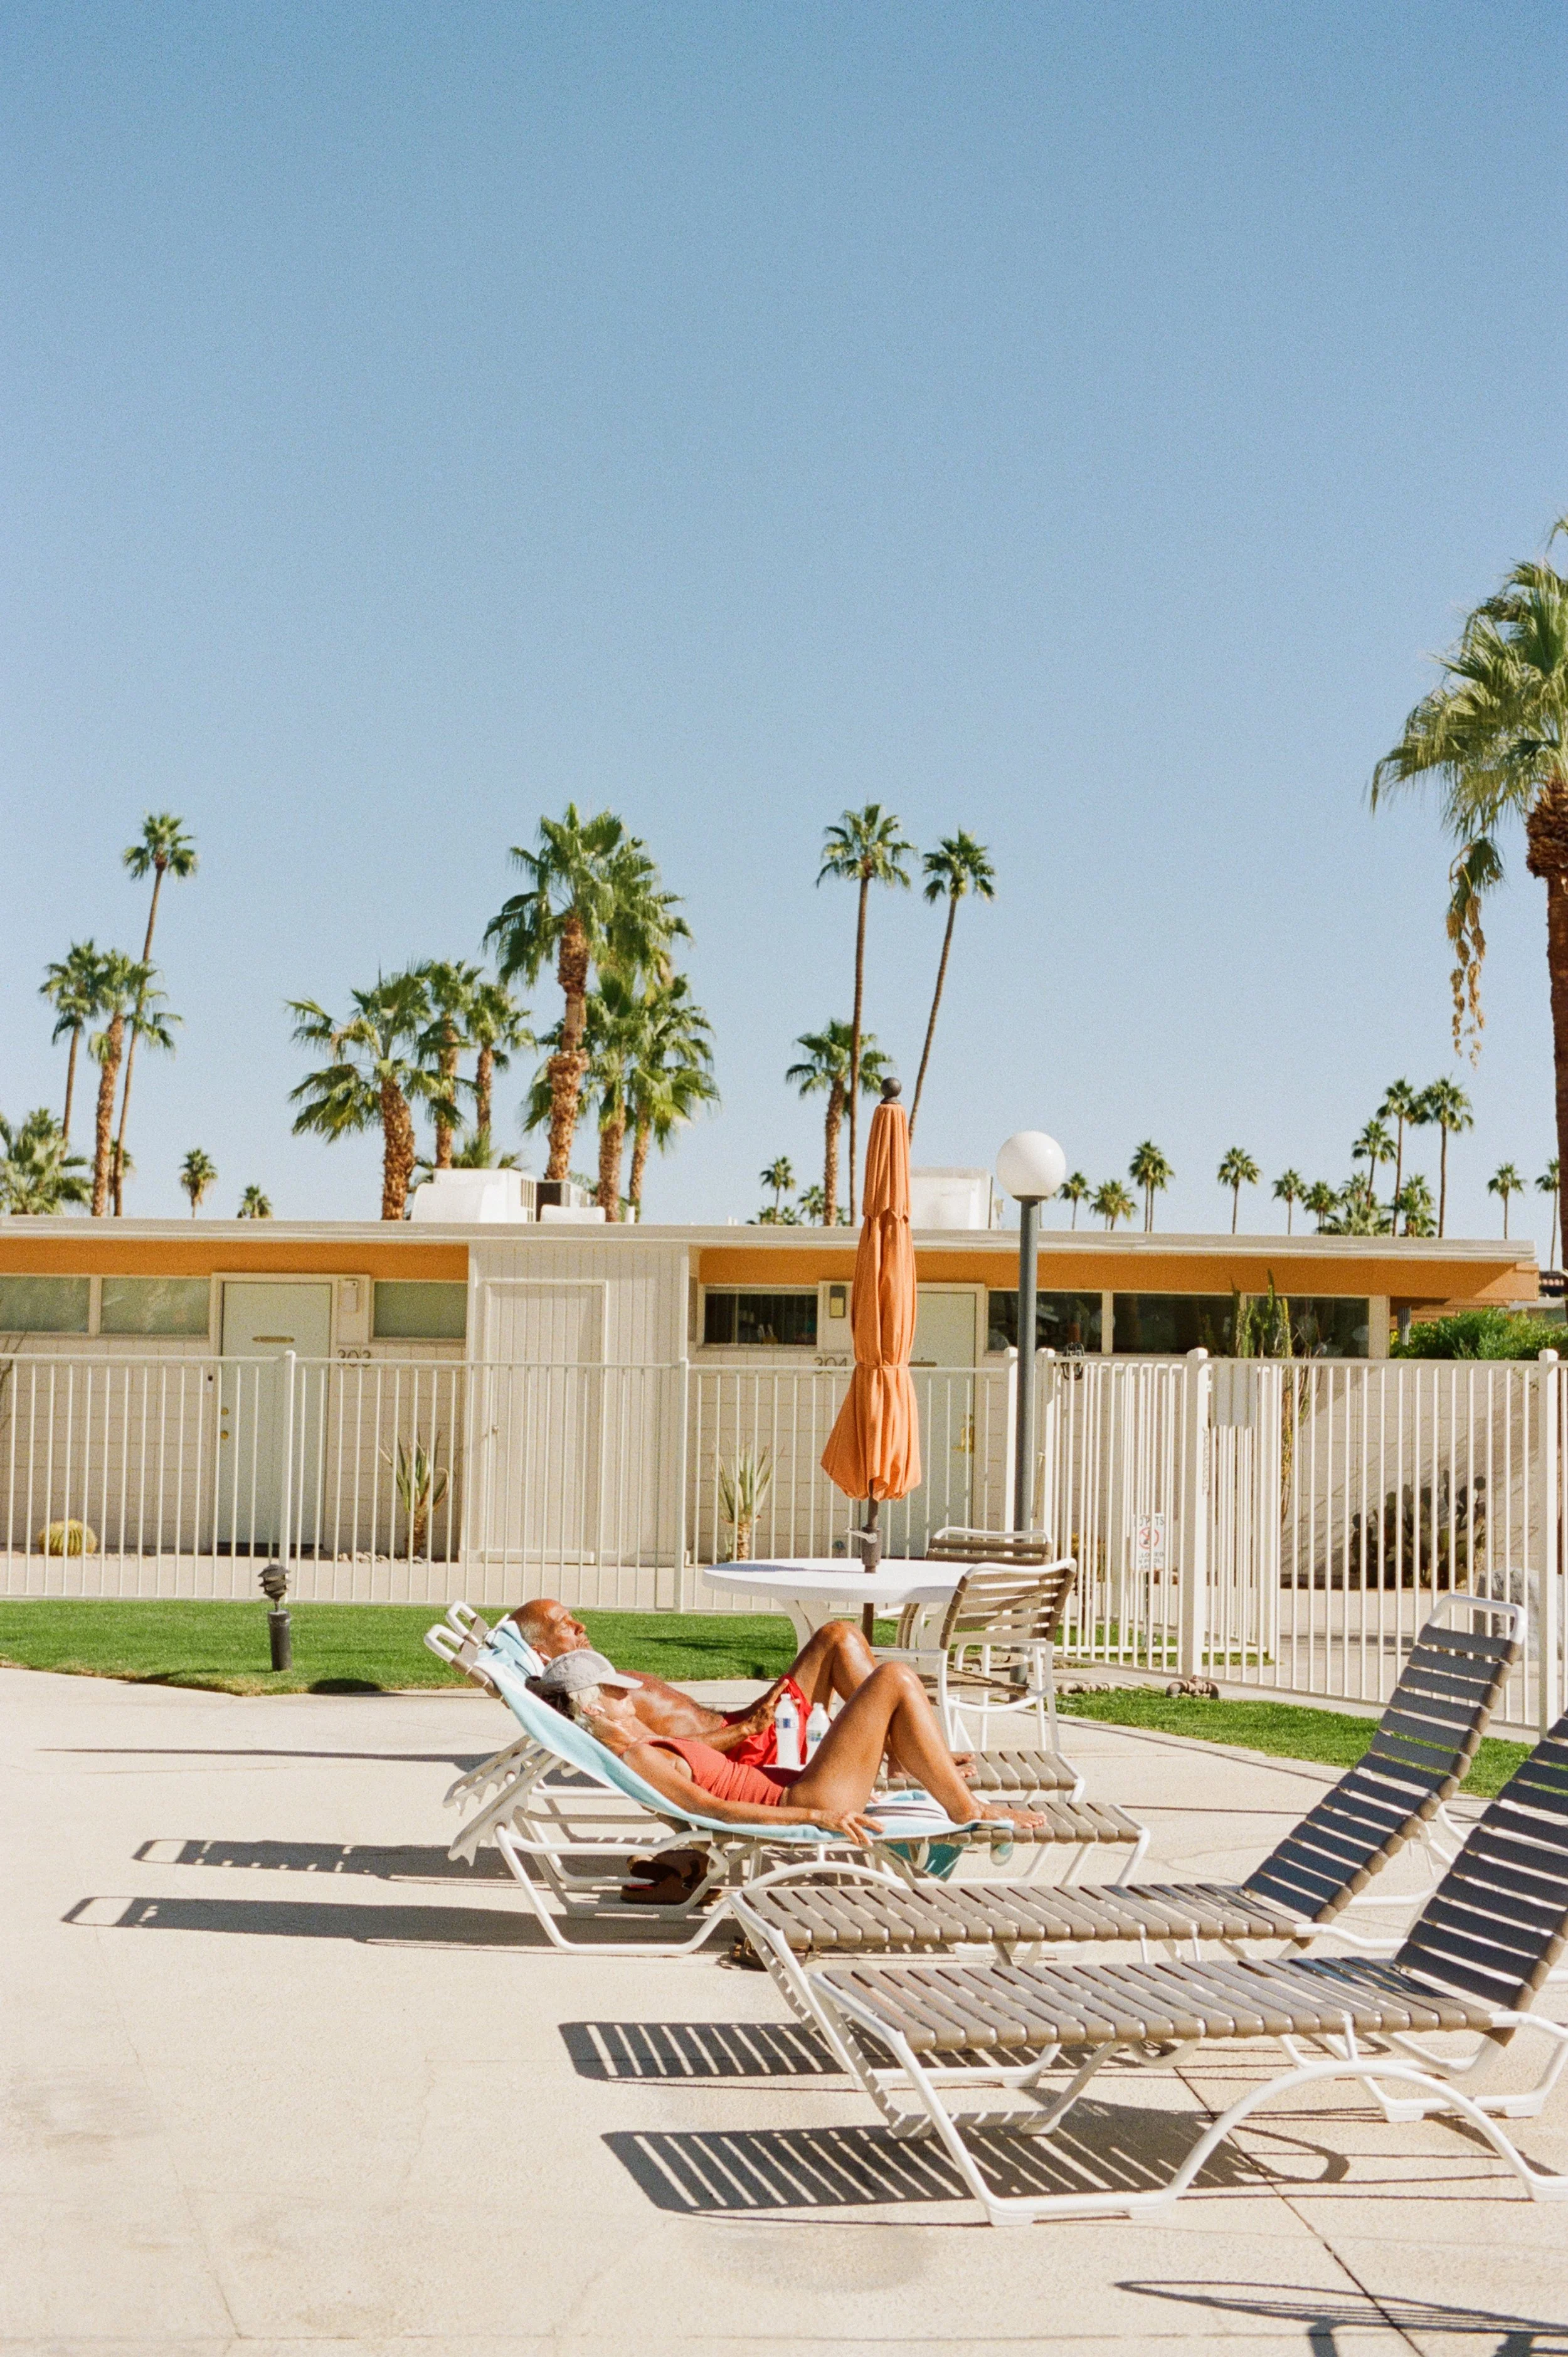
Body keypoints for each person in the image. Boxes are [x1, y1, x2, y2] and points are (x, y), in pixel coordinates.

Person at [531, 1650, 1048, 1845]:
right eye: (619, 1690)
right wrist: (819, 1820)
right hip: (808, 1802)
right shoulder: (640, 1756)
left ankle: (919, 1761)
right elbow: (712, 1810)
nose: (632, 1692)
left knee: (884, 1677)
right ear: (595, 1708)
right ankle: (966, 1806)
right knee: (893, 1677)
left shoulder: (640, 1743)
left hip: (803, 1789)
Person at [508, 1596, 877, 1768]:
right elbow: (664, 1755)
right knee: (839, 1638)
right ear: (541, 1652)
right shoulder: (593, 1704)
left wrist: (745, 1722)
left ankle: (897, 1760)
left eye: (575, 1618)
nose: (580, 1627)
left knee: (837, 1637)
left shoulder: (595, 1685)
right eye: (565, 1626)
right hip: (749, 1749)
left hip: (744, 1730)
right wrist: (748, 1729)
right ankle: (900, 1766)